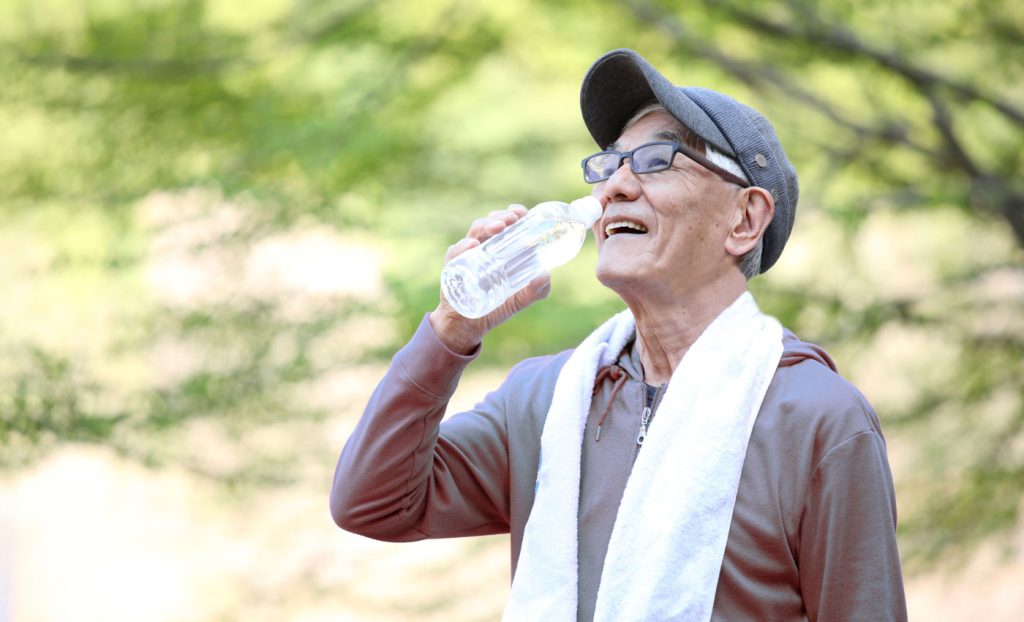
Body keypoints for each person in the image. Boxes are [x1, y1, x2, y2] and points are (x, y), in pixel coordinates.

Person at [331, 48, 907, 621]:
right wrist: (452, 328)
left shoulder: (816, 420)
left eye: (657, 159)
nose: (614, 188)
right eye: (608, 165)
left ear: (746, 219)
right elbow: (373, 503)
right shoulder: (548, 401)